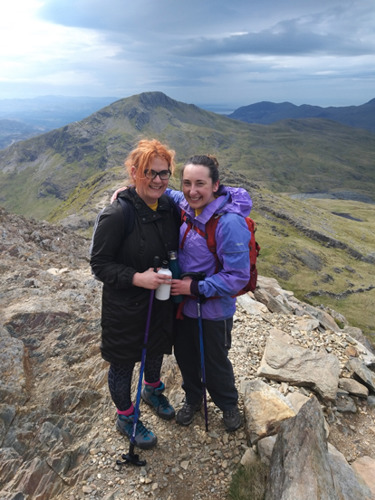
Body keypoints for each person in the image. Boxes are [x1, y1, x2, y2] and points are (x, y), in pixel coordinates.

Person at [90, 139, 180, 450]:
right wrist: (136, 278)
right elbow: (99, 265)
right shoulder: (117, 214)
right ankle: (126, 416)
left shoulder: (169, 207)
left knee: (155, 350)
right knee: (124, 363)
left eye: (164, 173)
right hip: (124, 307)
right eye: (149, 173)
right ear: (134, 172)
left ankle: (152, 390)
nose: (157, 180)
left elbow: (205, 200)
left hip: (159, 301)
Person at [168, 155, 252, 432]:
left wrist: (194, 287)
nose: (193, 190)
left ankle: (228, 404)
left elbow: (237, 277)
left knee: (214, 361)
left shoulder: (229, 223)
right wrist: (130, 189)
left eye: (200, 184)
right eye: (187, 183)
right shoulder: (187, 205)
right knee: (186, 357)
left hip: (213, 310)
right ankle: (193, 399)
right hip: (184, 307)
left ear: (215, 185)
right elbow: (167, 193)